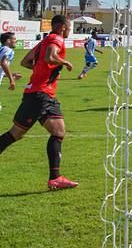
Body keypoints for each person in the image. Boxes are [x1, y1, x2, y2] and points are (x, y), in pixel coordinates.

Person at [0, 15, 78, 190]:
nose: (70, 30)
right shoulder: (55, 38)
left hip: (44, 94)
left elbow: (25, 61)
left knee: (58, 131)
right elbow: (51, 57)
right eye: (69, 27)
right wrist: (64, 62)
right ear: (61, 27)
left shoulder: (43, 42)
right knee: (15, 134)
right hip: (39, 95)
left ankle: (55, 179)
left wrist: (40, 70)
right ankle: (55, 177)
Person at [0, 32, 23, 112]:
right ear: (8, 41)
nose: (16, 41)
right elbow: (3, 63)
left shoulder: (2, 49)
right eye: (14, 39)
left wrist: (12, 75)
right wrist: (11, 80)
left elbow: (1, 69)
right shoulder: (8, 50)